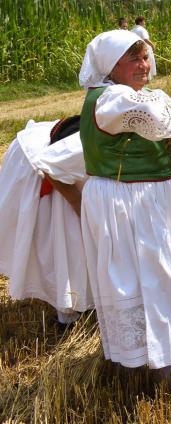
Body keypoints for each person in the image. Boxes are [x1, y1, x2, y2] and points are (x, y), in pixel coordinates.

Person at [77, 29, 171, 393]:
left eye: (145, 57)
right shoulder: (109, 99)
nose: (143, 65)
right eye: (132, 59)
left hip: (155, 201)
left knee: (166, 276)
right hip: (128, 203)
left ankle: (160, 353)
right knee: (150, 280)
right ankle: (165, 368)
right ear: (108, 67)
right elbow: (158, 120)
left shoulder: (146, 96)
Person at [0, 117, 91, 327]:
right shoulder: (99, 137)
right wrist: (78, 206)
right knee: (64, 237)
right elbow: (50, 168)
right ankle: (67, 308)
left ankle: (86, 296)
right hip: (45, 166)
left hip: (70, 166)